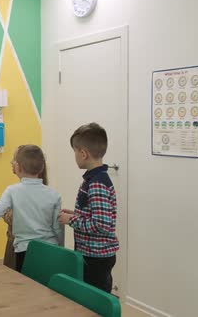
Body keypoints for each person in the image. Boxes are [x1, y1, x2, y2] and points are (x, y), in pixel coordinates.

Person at [58, 122, 119, 293]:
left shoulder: (97, 183)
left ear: (83, 154)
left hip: (96, 257)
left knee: (95, 298)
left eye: (75, 152)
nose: (75, 156)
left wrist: (72, 220)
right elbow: (94, 214)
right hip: (92, 253)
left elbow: (102, 225)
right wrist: (76, 214)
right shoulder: (94, 179)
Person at [1, 165, 48, 270]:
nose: (11, 163)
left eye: (15, 159)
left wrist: (2, 209)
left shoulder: (22, 193)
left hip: (20, 245)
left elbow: (15, 218)